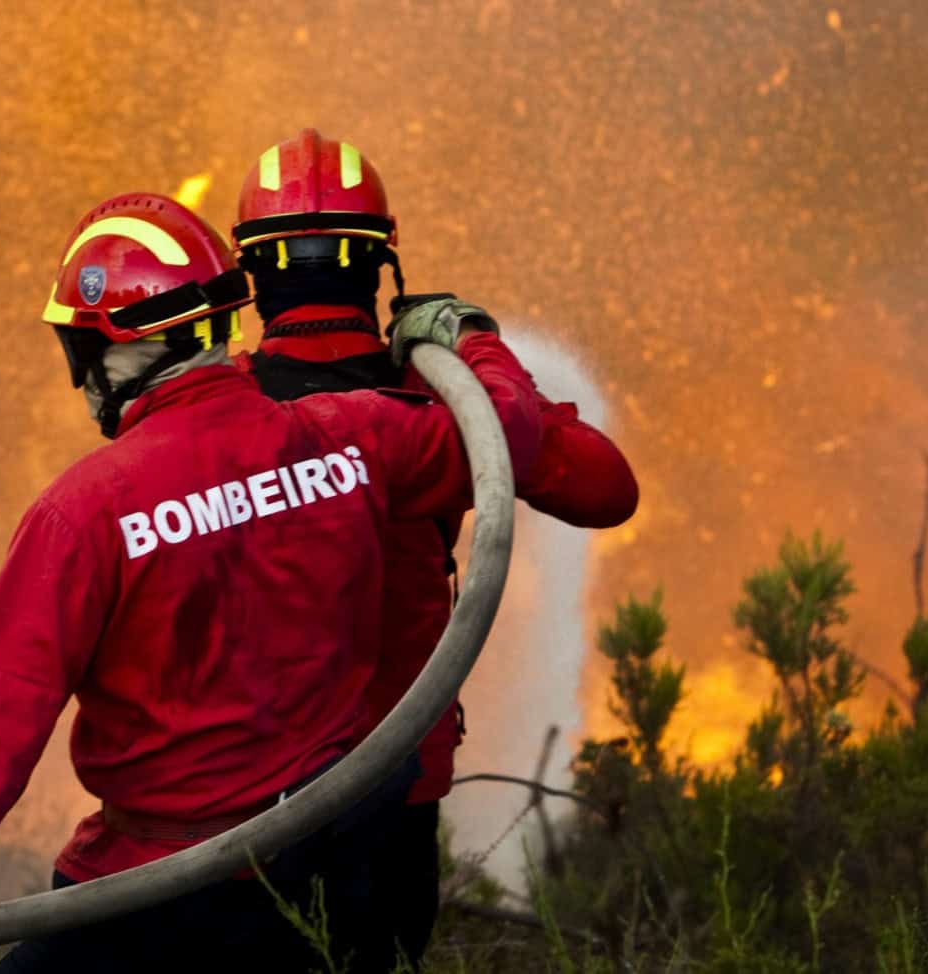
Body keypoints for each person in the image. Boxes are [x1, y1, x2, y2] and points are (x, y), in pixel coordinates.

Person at [0, 192, 561, 973]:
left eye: (80, 351)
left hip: (153, 897)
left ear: (118, 348)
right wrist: (470, 340)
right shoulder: (353, 438)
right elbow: (505, 434)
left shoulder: (84, 514)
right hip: (334, 877)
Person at [231, 128, 639, 965]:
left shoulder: (214, 414)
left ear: (252, 276)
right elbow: (606, 488)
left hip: (238, 800)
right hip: (396, 788)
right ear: (381, 270)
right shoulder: (442, 408)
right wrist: (474, 344)